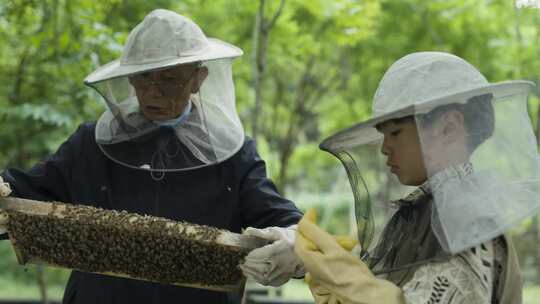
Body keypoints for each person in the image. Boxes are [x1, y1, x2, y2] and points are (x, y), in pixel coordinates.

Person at [0, 9, 303, 304]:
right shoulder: (88, 145)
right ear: (128, 78)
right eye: (143, 77)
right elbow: (24, 191)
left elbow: (283, 219)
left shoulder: (236, 155)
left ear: (198, 78)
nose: (152, 92)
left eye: (169, 79)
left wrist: (294, 241)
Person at [294, 52, 540, 303]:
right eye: (384, 134)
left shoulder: (468, 219)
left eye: (396, 132)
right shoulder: (421, 212)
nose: (384, 147)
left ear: (449, 127)